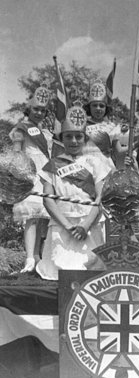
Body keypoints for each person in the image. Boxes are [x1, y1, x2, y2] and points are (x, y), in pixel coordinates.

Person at [36, 102, 111, 280]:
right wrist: (68, 227)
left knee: (91, 277)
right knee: (58, 275)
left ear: (85, 138)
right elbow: (48, 200)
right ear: (62, 139)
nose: (74, 141)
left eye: (78, 136)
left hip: (89, 226)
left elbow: (101, 197)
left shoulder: (96, 163)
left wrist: (84, 226)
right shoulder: (52, 165)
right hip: (62, 227)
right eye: (69, 136)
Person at [9, 83, 52, 272]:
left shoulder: (47, 132)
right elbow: (17, 153)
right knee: (31, 217)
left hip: (46, 174)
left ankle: (37, 256)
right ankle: (28, 258)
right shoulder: (22, 128)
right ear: (29, 109)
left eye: (43, 110)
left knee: (43, 217)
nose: (39, 113)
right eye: (36, 109)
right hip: (32, 173)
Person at [85, 79, 127, 169]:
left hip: (105, 167)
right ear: (89, 107)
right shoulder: (82, 125)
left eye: (101, 105)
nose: (98, 108)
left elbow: (118, 151)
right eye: (94, 105)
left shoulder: (112, 127)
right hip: (85, 167)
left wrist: (134, 144)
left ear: (106, 108)